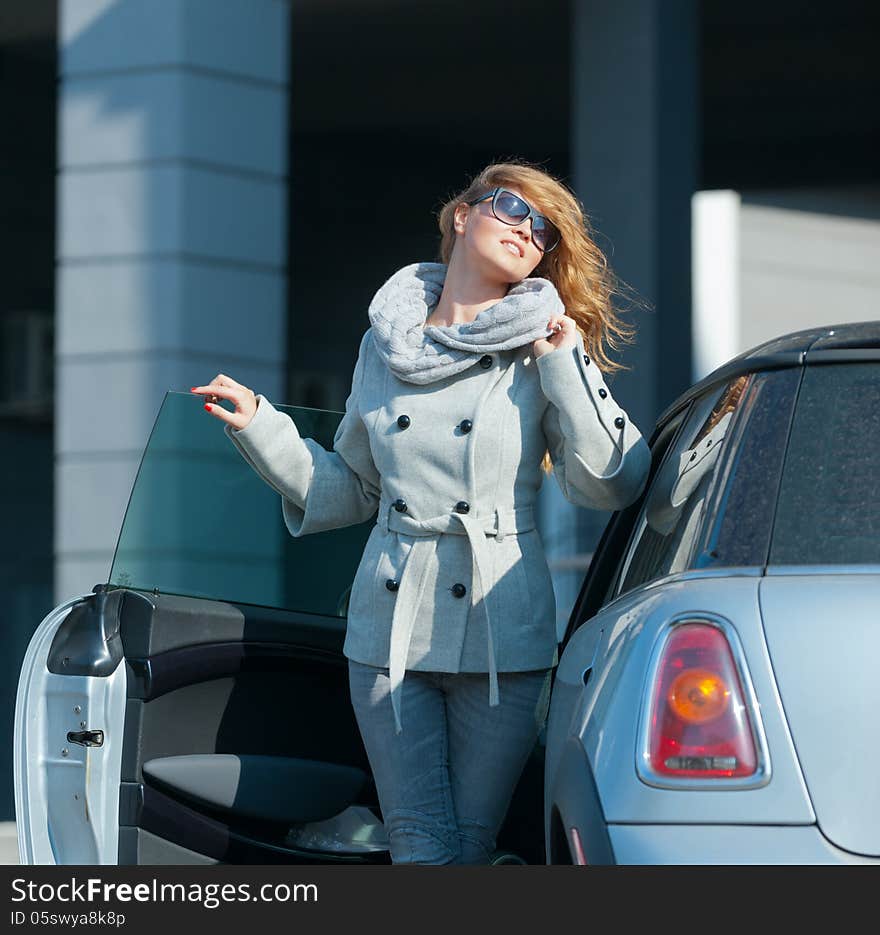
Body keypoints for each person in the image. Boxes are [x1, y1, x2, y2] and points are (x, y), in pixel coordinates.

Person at [191, 160, 652, 864]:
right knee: (417, 840)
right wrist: (262, 425)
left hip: (502, 630)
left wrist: (568, 366)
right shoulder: (384, 347)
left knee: (465, 843)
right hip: (389, 629)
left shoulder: (541, 350)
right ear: (461, 216)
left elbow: (610, 483)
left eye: (544, 229)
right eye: (510, 208)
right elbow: (349, 488)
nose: (527, 230)